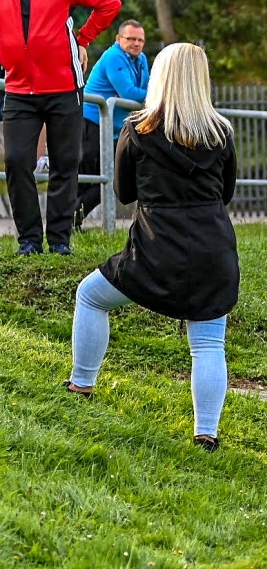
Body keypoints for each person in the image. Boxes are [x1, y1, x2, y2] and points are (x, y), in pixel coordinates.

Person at [63, 43, 238, 451]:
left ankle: (81, 383)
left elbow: (123, 192)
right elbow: (226, 193)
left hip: (155, 248)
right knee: (208, 343)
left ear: (159, 75)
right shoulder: (222, 132)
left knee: (90, 296)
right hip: (213, 249)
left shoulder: (137, 129)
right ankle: (206, 433)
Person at [0, 0, 121, 255]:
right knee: (17, 161)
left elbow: (109, 3)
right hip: (19, 90)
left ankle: (59, 240)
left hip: (64, 87)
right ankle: (28, 240)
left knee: (66, 163)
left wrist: (83, 38)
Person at [77, 20, 150, 226]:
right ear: (119, 39)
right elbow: (130, 93)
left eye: (140, 40)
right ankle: (68, 222)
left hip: (114, 128)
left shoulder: (141, 59)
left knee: (111, 178)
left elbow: (146, 89)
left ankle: (72, 220)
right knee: (88, 177)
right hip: (92, 122)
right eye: (131, 38)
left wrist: (139, 94)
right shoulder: (113, 56)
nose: (136, 43)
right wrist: (140, 95)